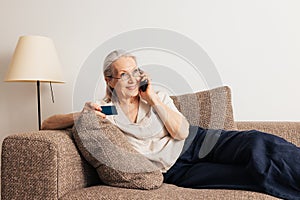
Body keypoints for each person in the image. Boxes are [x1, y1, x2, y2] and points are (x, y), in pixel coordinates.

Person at [42, 49, 300, 199]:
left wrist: (152, 97)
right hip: (177, 170)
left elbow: (181, 131)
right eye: (123, 74)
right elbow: (47, 123)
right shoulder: (105, 111)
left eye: (135, 71)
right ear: (109, 81)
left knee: (258, 143)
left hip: (198, 141)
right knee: (253, 176)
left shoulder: (157, 98)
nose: (132, 79)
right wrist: (81, 115)